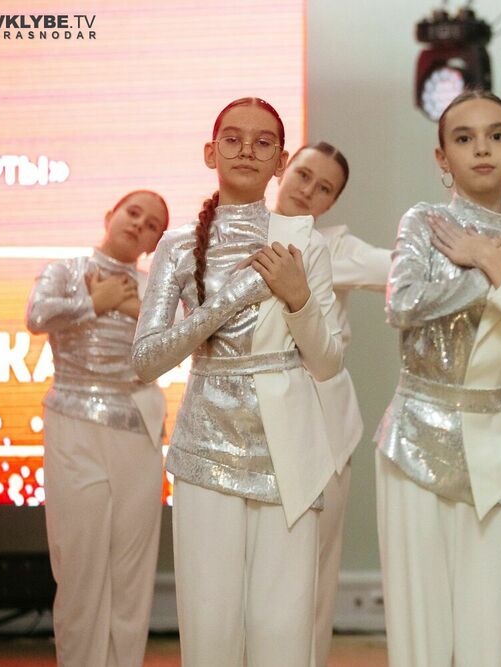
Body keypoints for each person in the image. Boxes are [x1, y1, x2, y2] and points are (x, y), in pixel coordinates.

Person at [133, 97, 343, 667]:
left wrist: (299, 299)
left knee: (284, 628)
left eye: (263, 142)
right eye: (232, 138)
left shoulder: (305, 243)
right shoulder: (179, 245)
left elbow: (327, 363)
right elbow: (145, 360)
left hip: (289, 449)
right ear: (211, 152)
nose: (247, 150)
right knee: (210, 627)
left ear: (281, 161)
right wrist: (227, 301)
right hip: (206, 447)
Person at [375, 90, 501, 667]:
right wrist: (484, 276)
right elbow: (402, 305)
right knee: (420, 637)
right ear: (442, 158)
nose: (481, 148)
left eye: (496, 135)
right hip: (414, 439)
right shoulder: (425, 222)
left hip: (500, 448)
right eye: (464, 138)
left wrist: (491, 261)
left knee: (488, 636)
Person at [26, 190, 169, 667]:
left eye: (151, 225)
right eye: (133, 212)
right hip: (74, 426)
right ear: (110, 215)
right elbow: (37, 316)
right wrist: (93, 301)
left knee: (131, 571)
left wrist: (135, 312)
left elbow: (178, 344)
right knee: (80, 565)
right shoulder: (65, 270)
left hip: (138, 431)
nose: (138, 224)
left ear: (153, 244)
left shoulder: (154, 290)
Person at [274, 140, 392, 667]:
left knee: (315, 579)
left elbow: (400, 267)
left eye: (324, 188)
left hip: (322, 424)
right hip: (252, 421)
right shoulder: (238, 235)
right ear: (283, 169)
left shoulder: (334, 249)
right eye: (303, 175)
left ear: (333, 202)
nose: (309, 191)